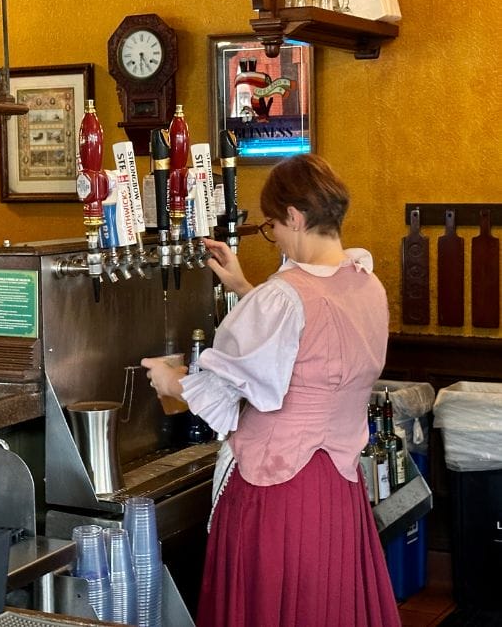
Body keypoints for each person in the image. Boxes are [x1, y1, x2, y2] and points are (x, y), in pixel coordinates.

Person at [141, 154, 398, 627]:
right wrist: (245, 288)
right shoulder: (367, 284)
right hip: (337, 486)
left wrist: (170, 379)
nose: (274, 235)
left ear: (295, 217)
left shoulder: (283, 296)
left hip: (279, 491)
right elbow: (316, 342)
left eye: (272, 225)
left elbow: (225, 391)